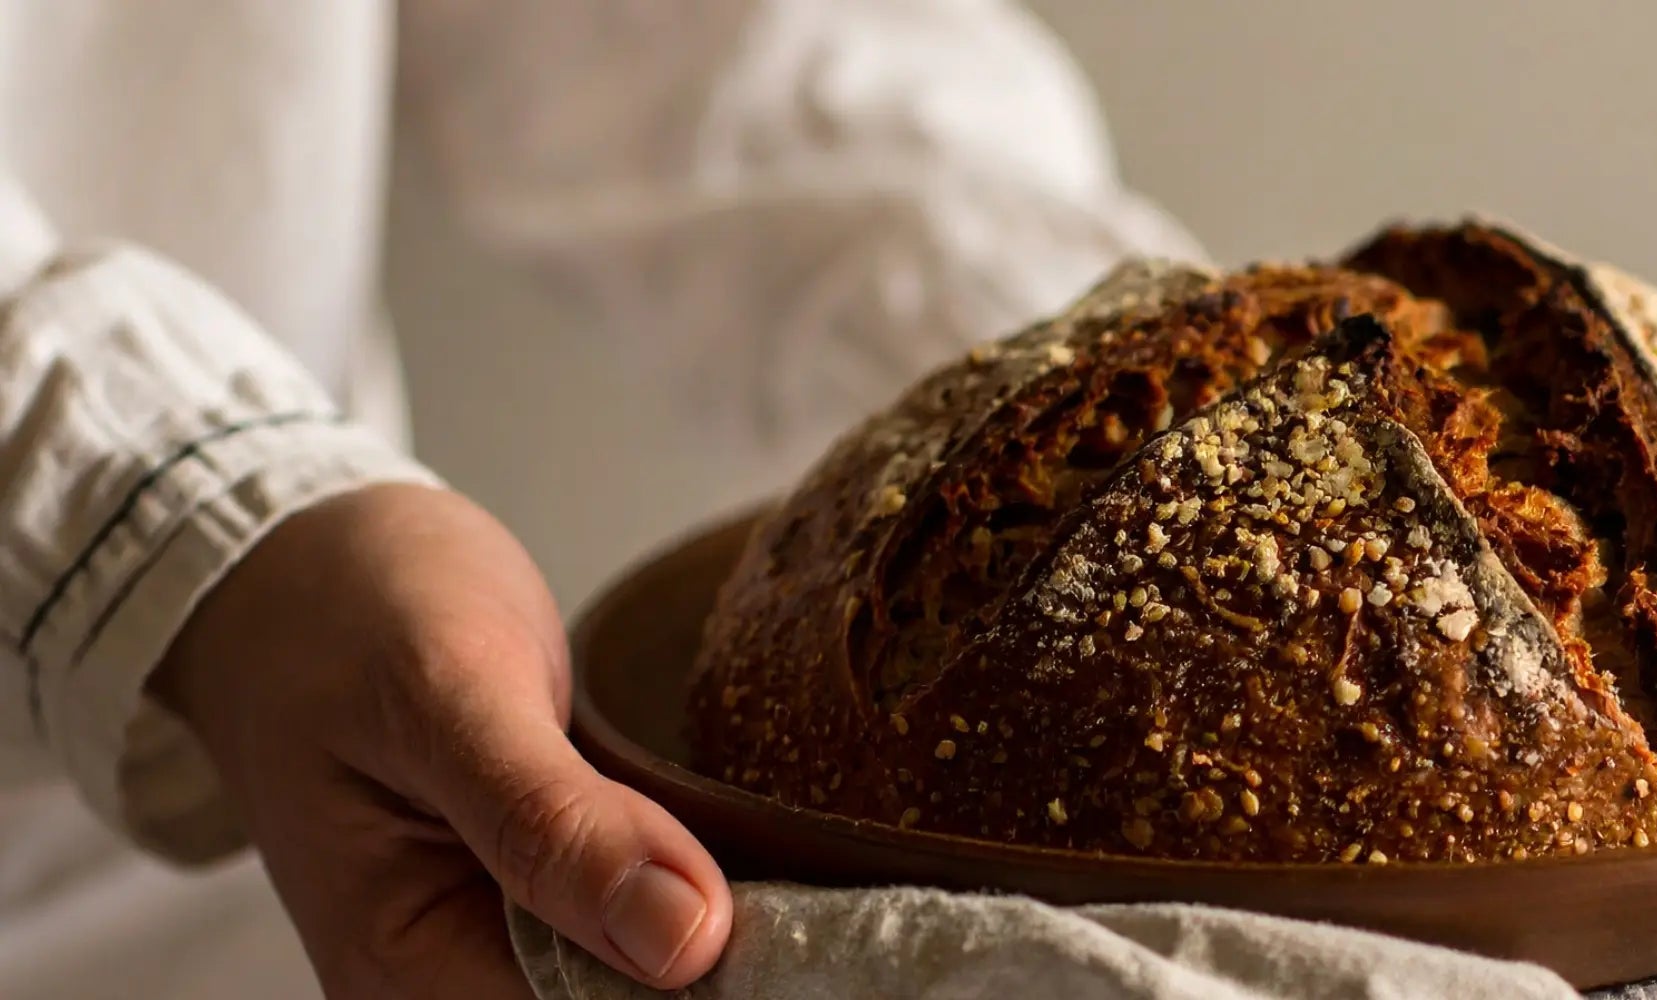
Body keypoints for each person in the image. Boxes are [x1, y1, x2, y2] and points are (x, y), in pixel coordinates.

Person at [0, 2, 1201, 997]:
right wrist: (195, 525)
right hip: (280, 733)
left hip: (264, 886)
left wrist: (1094, 369)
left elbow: (728, 58)